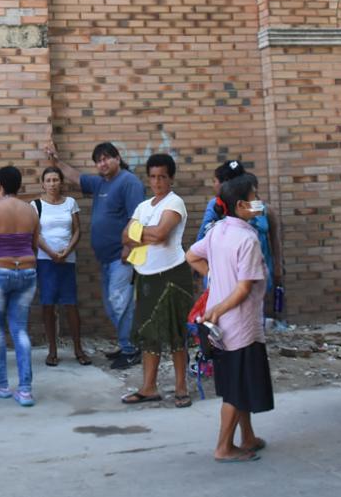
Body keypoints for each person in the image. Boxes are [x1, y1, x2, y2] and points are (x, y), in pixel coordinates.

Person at [186, 172, 274, 463]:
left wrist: (213, 277)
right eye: (254, 197)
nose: (258, 202)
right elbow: (244, 287)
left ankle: (247, 436)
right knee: (236, 391)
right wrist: (219, 307)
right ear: (239, 205)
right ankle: (224, 447)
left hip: (221, 327)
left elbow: (191, 255)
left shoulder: (218, 231)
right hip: (239, 324)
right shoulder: (247, 239)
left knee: (240, 383)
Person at [44, 141, 146, 369]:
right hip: (106, 259)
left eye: (107, 158)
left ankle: (131, 350)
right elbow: (76, 177)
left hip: (122, 257)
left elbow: (138, 217)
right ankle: (126, 344)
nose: (102, 163)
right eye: (98, 160)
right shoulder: (100, 183)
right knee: (114, 305)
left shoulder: (128, 182)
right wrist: (55, 160)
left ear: (117, 158)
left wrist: (129, 248)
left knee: (120, 303)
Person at [120, 153, 192, 408]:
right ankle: (149, 387)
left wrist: (138, 234)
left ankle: (182, 387)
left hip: (173, 275)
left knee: (175, 332)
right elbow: (124, 236)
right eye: (153, 177)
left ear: (171, 178)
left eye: (162, 176)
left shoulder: (175, 202)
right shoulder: (144, 206)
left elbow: (161, 234)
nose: (157, 182)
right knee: (148, 332)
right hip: (146, 277)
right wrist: (141, 235)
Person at [0, 166, 41, 407]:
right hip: (26, 270)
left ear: (0, 185)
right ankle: (25, 390)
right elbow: (34, 246)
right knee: (20, 330)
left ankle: (2, 385)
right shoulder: (31, 211)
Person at [196, 160, 285, 326]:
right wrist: (210, 273)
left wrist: (278, 268)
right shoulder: (217, 207)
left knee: (251, 313)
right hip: (229, 273)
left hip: (257, 270)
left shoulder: (263, 209)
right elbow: (201, 243)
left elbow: (275, 240)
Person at [33, 167, 90, 366]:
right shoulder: (36, 205)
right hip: (45, 260)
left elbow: (77, 230)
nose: (52, 184)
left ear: (61, 182)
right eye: (48, 180)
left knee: (70, 304)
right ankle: (52, 350)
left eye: (55, 179)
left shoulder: (70, 203)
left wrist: (67, 251)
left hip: (67, 260)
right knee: (48, 304)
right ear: (42, 183)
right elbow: (36, 234)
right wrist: (50, 252)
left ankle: (78, 349)